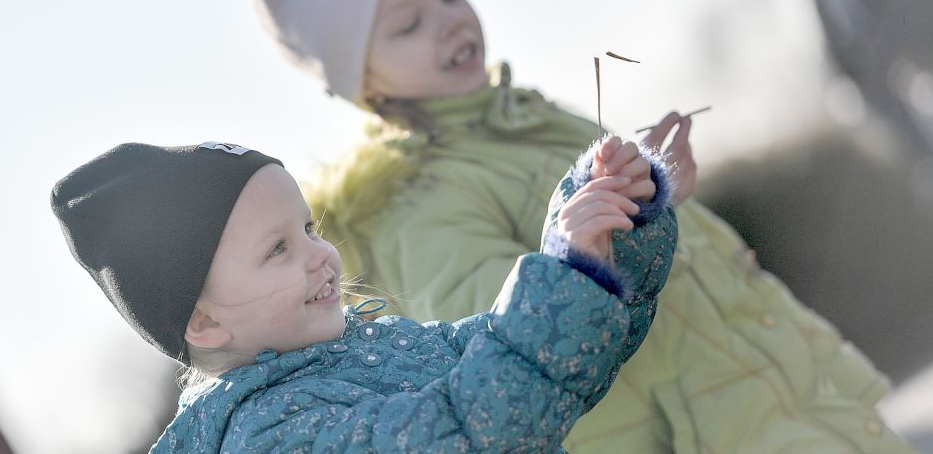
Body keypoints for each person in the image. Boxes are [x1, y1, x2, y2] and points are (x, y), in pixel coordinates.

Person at [248, 0, 918, 452]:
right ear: (363, 83)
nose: (449, 18)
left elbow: (643, 248)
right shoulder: (411, 206)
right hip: (685, 431)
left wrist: (657, 188)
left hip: (756, 393)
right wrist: (597, 234)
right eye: (407, 24)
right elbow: (516, 342)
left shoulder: (529, 120)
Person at [51, 139, 677, 453]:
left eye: (309, 229)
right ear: (204, 322)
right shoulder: (270, 434)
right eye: (278, 249)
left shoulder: (382, 347)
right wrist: (565, 270)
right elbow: (471, 427)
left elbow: (535, 362)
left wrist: (604, 227)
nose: (320, 253)